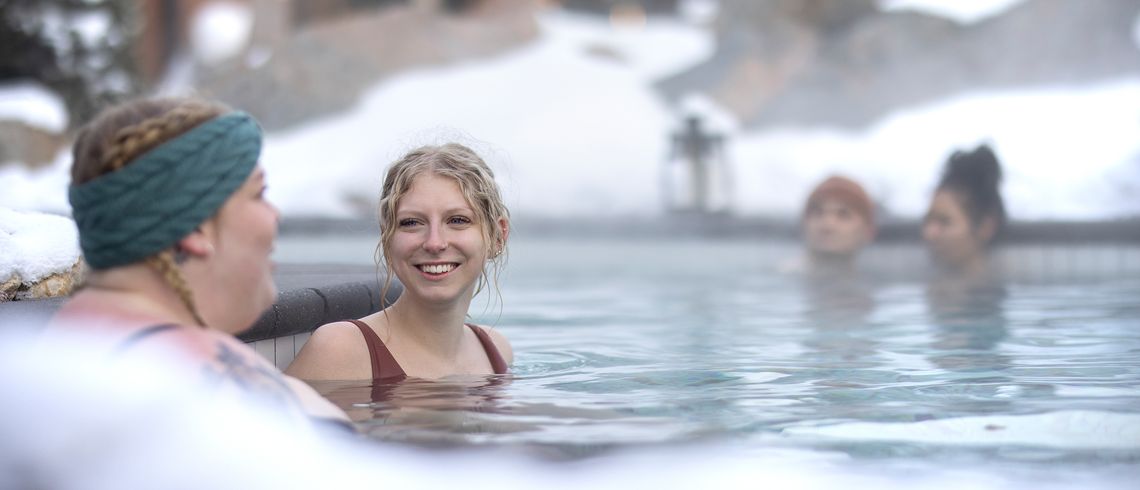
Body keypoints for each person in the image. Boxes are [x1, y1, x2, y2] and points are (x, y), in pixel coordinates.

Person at [46, 97, 346, 424]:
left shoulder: (50, 358)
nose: (275, 215)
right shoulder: (228, 396)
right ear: (195, 227)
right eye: (259, 194)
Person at [286, 143, 513, 382]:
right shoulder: (340, 350)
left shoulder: (496, 350)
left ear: (498, 236)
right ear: (387, 237)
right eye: (412, 223)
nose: (434, 243)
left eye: (457, 220)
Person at [922, 144, 1006, 281]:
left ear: (986, 227)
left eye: (945, 222)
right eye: (928, 220)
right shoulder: (930, 284)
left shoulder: (1000, 285)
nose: (929, 233)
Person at [790, 175, 876, 276]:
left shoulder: (876, 278)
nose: (827, 225)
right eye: (818, 213)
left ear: (868, 231)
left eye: (843, 214)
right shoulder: (787, 277)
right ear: (803, 224)